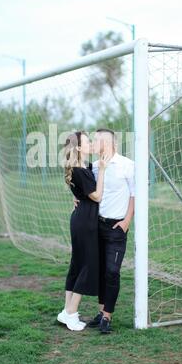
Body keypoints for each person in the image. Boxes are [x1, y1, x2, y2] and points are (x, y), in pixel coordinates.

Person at [57, 131, 110, 331]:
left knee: (77, 264)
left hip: (80, 218)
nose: (91, 144)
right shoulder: (79, 169)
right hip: (85, 221)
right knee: (87, 265)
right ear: (78, 147)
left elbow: (81, 190)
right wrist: (103, 170)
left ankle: (66, 311)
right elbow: (96, 196)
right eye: (88, 141)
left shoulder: (82, 166)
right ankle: (71, 313)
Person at [87, 128, 135, 334]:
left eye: (96, 139)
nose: (93, 142)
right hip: (97, 225)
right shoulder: (94, 167)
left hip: (117, 227)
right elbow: (87, 191)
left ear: (109, 143)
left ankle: (108, 316)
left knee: (112, 271)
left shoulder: (127, 165)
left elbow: (135, 195)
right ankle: (101, 313)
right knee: (99, 271)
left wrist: (126, 221)